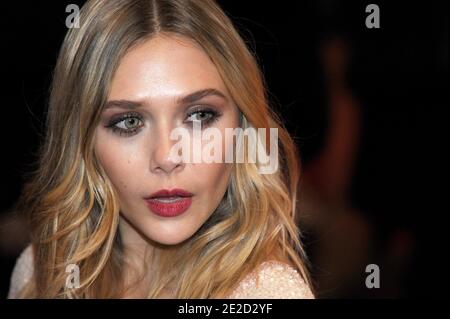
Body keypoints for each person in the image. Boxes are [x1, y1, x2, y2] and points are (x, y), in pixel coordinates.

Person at [8, 0, 314, 299]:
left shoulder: (267, 293)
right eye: (128, 122)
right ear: (81, 141)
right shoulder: (40, 274)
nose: (167, 157)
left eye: (199, 116)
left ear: (242, 128)